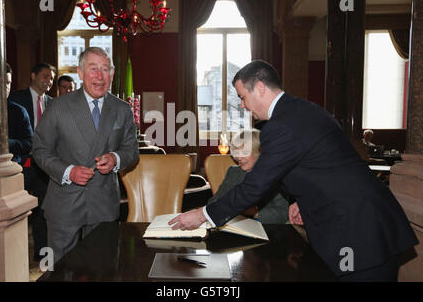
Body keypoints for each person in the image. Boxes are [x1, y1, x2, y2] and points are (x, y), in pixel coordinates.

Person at [169, 60, 418, 282]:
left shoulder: (282, 125)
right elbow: (320, 165)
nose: (243, 106)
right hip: (365, 221)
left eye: (242, 97)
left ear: (261, 88)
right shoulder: (300, 110)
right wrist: (299, 198)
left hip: (359, 231)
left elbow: (255, 186)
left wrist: (202, 214)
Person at [32, 47, 139, 263]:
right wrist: (68, 171)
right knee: (61, 271)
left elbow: (131, 151)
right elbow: (40, 149)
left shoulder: (121, 109)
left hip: (104, 204)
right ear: (80, 73)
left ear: (112, 73)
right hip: (65, 202)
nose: (100, 76)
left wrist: (116, 158)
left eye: (105, 69)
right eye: (93, 69)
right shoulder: (59, 107)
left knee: (103, 269)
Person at [8, 62, 56, 261]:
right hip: (21, 162)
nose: (49, 81)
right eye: (45, 76)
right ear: (33, 76)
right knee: (18, 208)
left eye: (52, 78)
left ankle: (42, 253)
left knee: (44, 208)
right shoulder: (15, 99)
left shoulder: (53, 103)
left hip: (45, 164)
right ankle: (14, 256)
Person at [208, 129, 289, 224]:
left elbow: (282, 213)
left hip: (266, 229)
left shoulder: (274, 174)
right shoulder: (233, 172)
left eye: (244, 152)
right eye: (237, 152)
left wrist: (254, 212)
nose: (239, 158)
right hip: (235, 227)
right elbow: (213, 202)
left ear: (259, 153)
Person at [6, 63, 33, 165]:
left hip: (12, 165)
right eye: (1, 82)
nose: (5, 87)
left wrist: (7, 143)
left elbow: (29, 143)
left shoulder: (18, 111)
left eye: (8, 83)